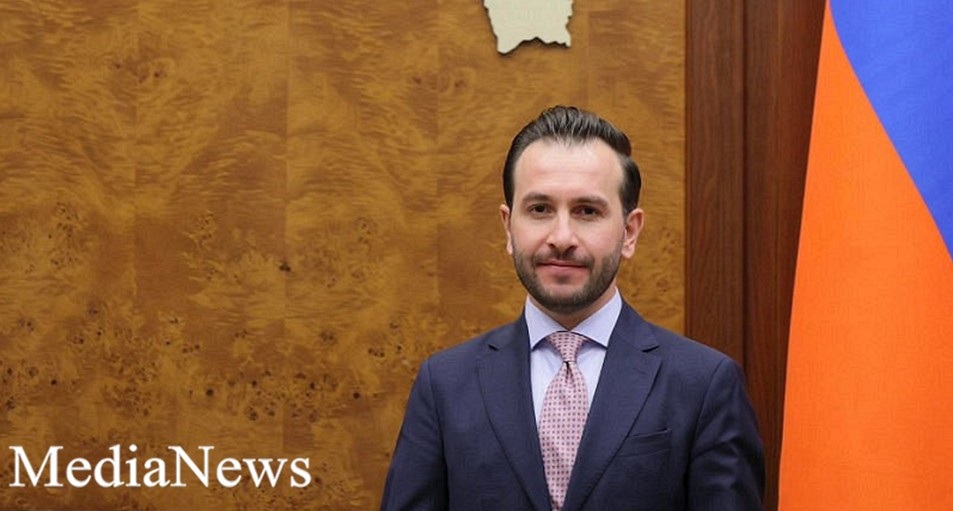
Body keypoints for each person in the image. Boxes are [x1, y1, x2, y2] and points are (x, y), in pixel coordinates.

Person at [380, 106, 764, 510]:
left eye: (587, 211)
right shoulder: (444, 385)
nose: (562, 237)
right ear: (508, 227)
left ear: (629, 232)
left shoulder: (705, 385)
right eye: (540, 209)